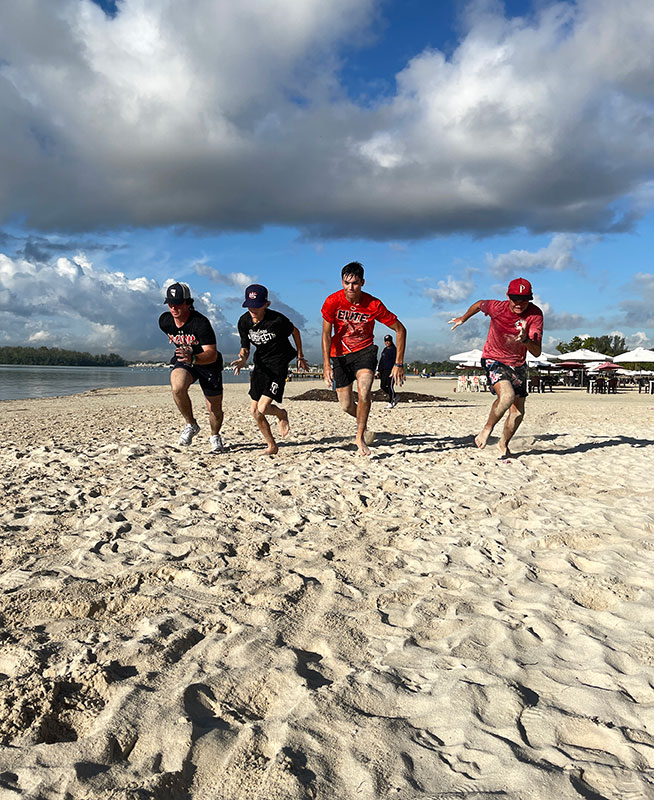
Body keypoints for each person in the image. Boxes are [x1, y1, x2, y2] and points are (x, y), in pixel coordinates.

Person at [448, 277, 543, 458]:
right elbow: (478, 305)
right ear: (508, 296)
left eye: (524, 299)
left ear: (530, 299)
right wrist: (463, 318)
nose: (519, 303)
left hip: (518, 364)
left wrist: (526, 340)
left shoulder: (535, 314)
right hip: (494, 358)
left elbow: (537, 352)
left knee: (518, 413)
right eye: (515, 298)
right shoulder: (496, 307)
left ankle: (503, 444)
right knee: (507, 396)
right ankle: (487, 428)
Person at [322, 262, 406, 456]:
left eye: (355, 283)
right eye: (347, 283)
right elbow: (326, 334)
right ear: (342, 282)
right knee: (345, 405)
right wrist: (326, 363)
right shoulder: (332, 302)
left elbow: (400, 329)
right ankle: (364, 422)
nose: (351, 288)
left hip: (364, 352)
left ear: (363, 283)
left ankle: (359, 438)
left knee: (364, 392)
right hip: (340, 355)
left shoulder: (373, 304)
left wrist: (399, 363)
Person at [231, 284, 308, 455]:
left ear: (266, 303)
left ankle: (281, 414)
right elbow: (245, 347)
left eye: (257, 305)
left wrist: (300, 356)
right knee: (254, 411)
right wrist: (243, 359)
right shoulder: (244, 322)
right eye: (250, 305)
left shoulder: (277, 320)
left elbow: (296, 332)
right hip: (261, 365)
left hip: (278, 365)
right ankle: (272, 446)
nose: (253, 309)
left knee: (263, 407)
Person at [158, 282, 225, 451]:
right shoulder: (164, 321)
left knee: (214, 408)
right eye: (170, 304)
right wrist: (181, 347)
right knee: (177, 387)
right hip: (185, 360)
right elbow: (173, 334)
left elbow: (212, 353)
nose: (173, 308)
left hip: (207, 362)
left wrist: (193, 357)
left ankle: (215, 435)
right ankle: (191, 425)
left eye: (178, 304)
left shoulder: (200, 323)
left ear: (188, 303)